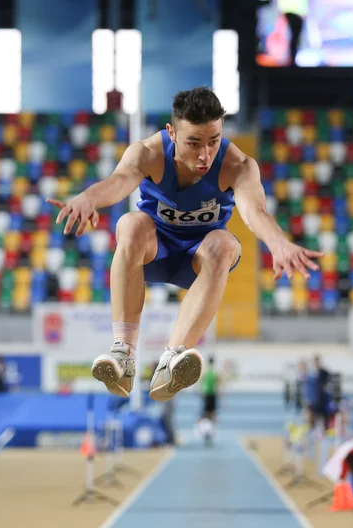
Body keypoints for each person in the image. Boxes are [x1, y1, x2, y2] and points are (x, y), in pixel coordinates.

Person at [48, 87, 323, 402]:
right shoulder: (147, 153)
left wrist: (279, 243)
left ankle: (173, 357)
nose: (205, 155)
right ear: (172, 133)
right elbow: (119, 182)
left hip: (200, 259)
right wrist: (88, 197)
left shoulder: (238, 164)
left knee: (225, 243)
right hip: (155, 251)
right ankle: (123, 354)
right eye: (194, 143)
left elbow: (254, 211)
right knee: (130, 224)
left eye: (214, 141)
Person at [200, 356, 220, 422]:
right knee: (211, 411)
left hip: (207, 392)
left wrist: (201, 391)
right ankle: (210, 423)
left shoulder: (206, 371)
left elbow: (201, 382)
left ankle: (207, 423)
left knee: (207, 410)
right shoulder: (215, 372)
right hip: (212, 392)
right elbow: (217, 383)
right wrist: (219, 393)